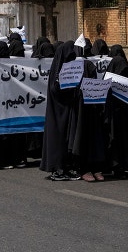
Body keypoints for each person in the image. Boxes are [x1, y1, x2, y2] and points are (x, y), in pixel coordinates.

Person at [41, 41, 82, 181]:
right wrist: (63, 83)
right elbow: (55, 89)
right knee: (58, 140)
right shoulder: (57, 70)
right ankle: (57, 169)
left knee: (66, 140)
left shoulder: (70, 68)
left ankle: (66, 167)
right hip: (58, 112)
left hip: (67, 110)